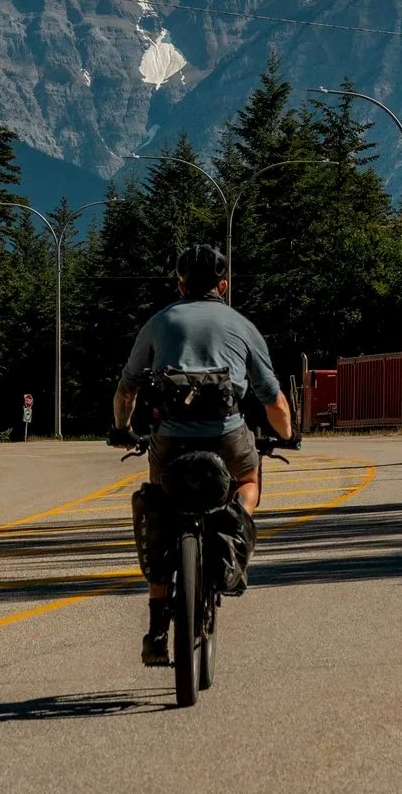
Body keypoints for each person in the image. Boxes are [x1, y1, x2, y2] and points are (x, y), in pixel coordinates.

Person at [112, 243, 295, 667]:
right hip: (227, 436)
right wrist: (288, 435)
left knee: (158, 506)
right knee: (248, 480)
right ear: (223, 285)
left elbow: (127, 388)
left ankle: (158, 627)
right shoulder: (241, 324)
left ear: (179, 285)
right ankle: (233, 529)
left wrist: (122, 429)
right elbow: (273, 400)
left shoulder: (159, 322)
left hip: (169, 440)